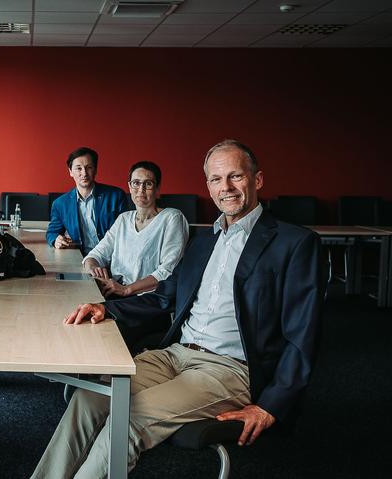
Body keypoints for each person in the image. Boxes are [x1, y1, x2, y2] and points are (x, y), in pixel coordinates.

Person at [31, 140, 326, 477]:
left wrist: (273, 405)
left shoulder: (294, 243)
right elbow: (163, 297)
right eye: (216, 179)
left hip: (229, 369)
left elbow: (304, 333)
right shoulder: (204, 241)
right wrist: (107, 309)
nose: (226, 187)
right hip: (174, 355)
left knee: (129, 419)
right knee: (88, 399)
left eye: (235, 177)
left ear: (257, 180)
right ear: (208, 187)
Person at [83, 161, 188, 299]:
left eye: (148, 183)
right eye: (136, 183)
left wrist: (127, 289)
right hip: (115, 292)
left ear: (157, 189)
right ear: (130, 187)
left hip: (147, 298)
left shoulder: (172, 217)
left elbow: (168, 271)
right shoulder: (123, 219)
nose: (141, 189)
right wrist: (94, 270)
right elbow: (95, 255)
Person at [46, 147, 128, 255]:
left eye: (89, 167)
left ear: (95, 170)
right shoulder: (60, 204)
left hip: (112, 256)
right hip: (80, 257)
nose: (84, 173)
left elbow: (126, 232)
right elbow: (52, 232)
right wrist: (56, 239)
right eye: (78, 168)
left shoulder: (116, 196)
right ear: (70, 172)